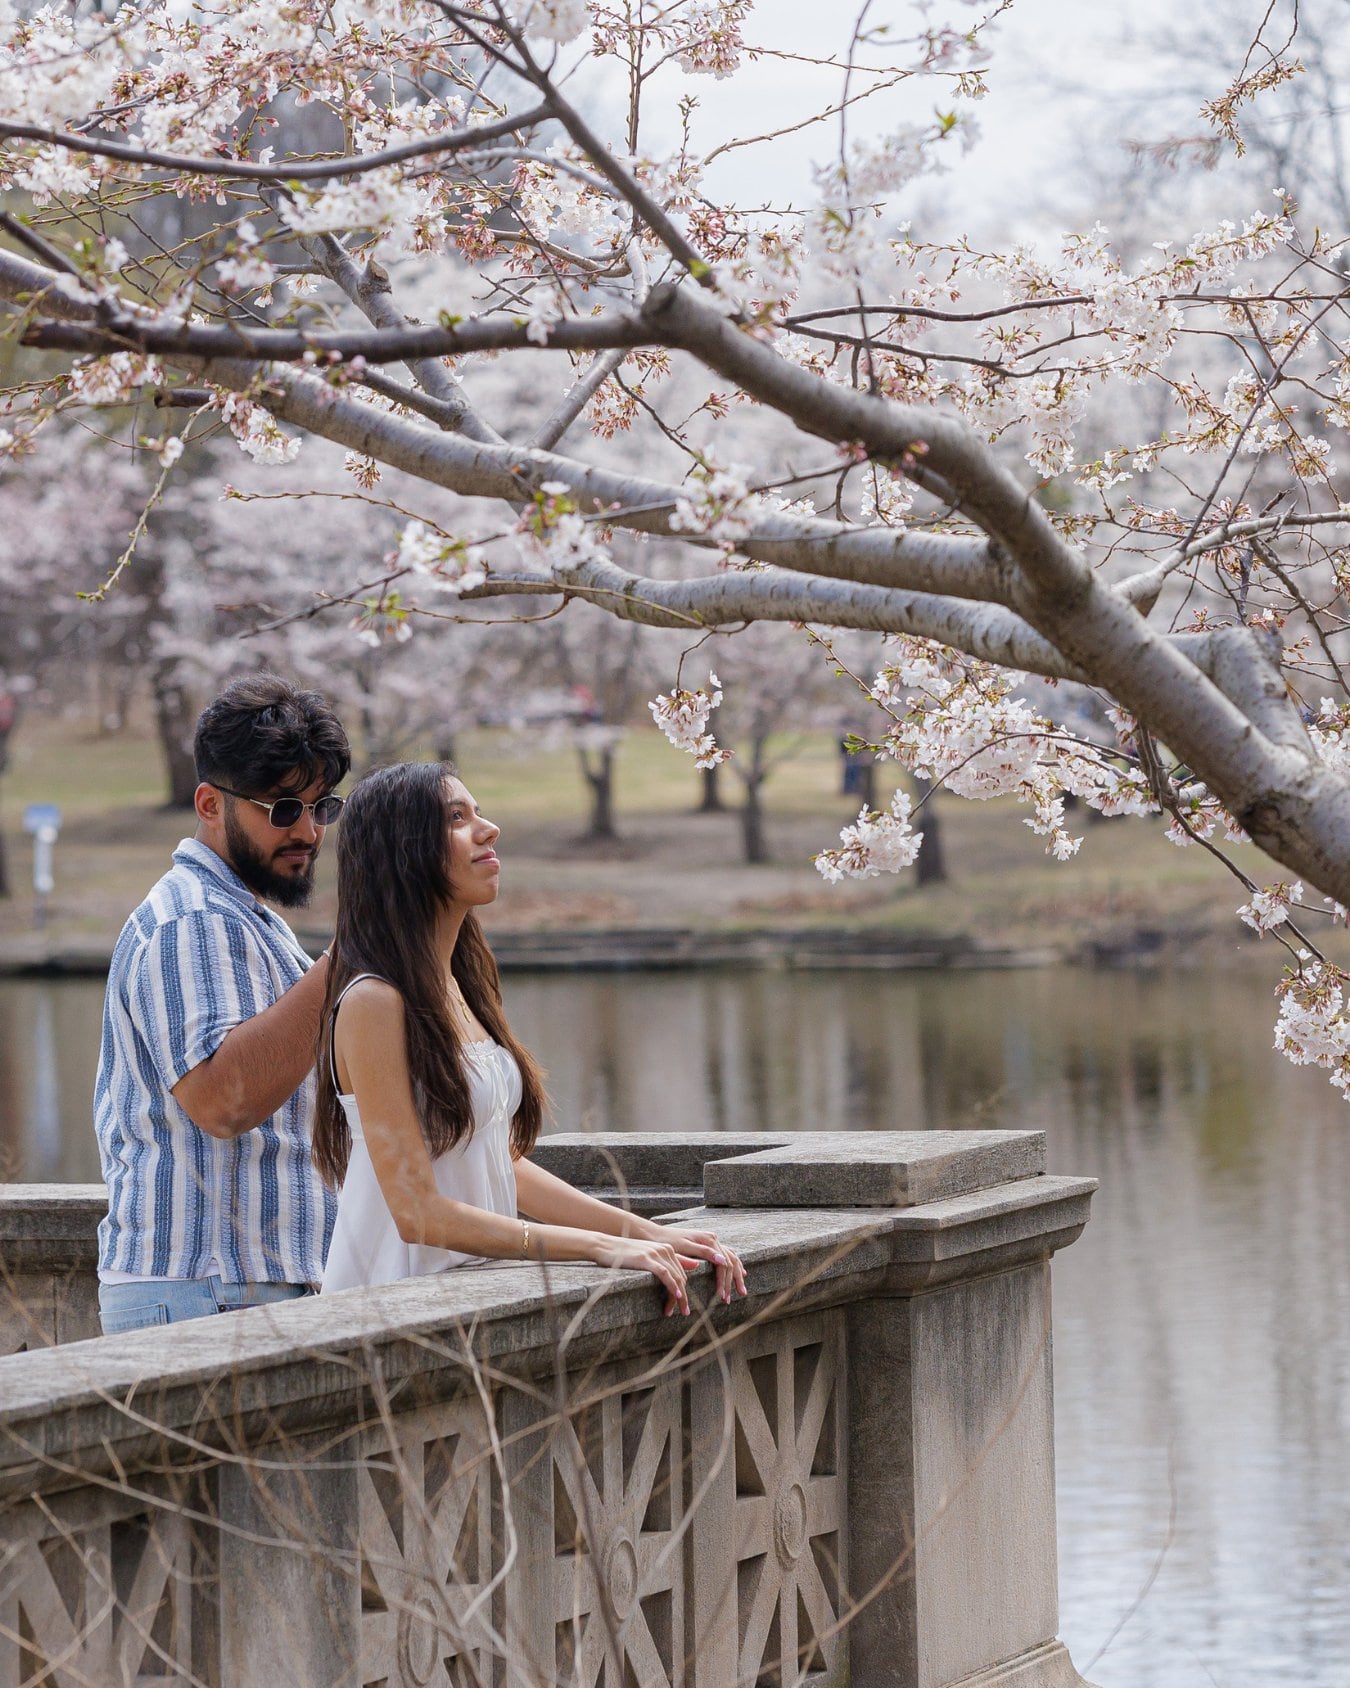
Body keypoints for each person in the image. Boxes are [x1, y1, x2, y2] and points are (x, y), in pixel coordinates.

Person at [315, 762, 747, 1313]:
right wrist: (596, 1248)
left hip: (468, 1299)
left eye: (478, 812)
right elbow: (417, 1212)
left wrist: (645, 1233)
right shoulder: (374, 1001)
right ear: (401, 851)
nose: (488, 828)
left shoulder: (458, 983)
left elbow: (498, 1159)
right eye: (456, 818)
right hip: (392, 1304)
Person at [94, 674, 351, 1334]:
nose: (309, 833)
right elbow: (221, 1100)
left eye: (321, 807)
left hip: (231, 1291)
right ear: (210, 804)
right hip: (208, 1294)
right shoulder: (194, 922)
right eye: (283, 808)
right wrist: (352, 949)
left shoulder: (242, 918)